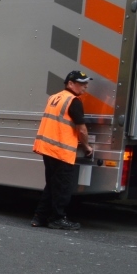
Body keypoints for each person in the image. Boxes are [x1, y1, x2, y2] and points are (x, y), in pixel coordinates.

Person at [31, 70, 94, 230]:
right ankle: (57, 218)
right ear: (70, 84)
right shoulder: (74, 101)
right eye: (82, 83)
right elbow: (82, 129)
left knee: (52, 185)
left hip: (48, 148)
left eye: (86, 83)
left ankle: (39, 217)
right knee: (62, 187)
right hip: (61, 150)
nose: (85, 86)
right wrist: (86, 146)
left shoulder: (54, 97)